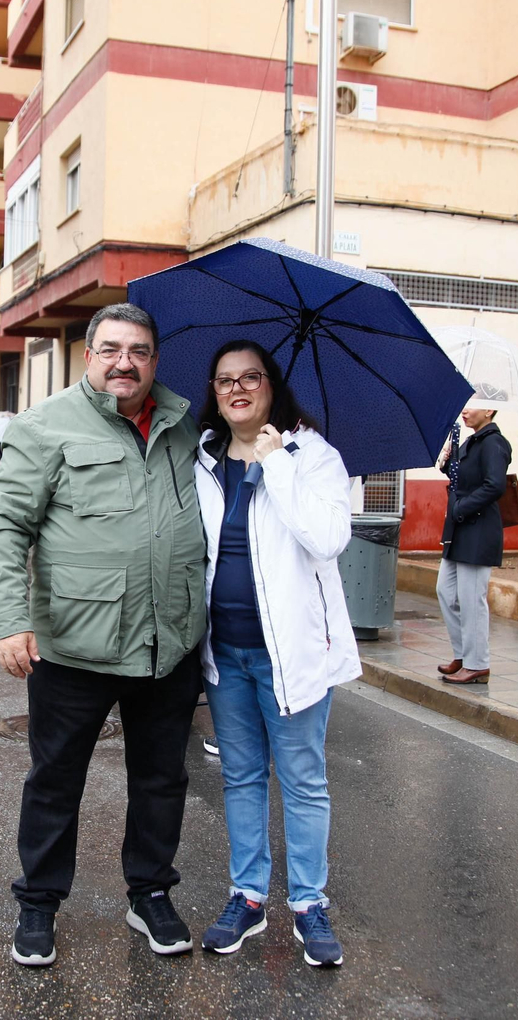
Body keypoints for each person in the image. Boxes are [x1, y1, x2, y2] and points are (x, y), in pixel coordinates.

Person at [0, 303, 207, 968]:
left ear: (154, 360)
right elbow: (1, 527)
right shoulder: (45, 425)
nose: (124, 362)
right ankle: (39, 903)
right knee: (55, 781)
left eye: (138, 351)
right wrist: (9, 619)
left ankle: (150, 893)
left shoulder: (185, 425)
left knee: (161, 779)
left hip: (168, 641)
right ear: (88, 356)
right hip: (74, 644)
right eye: (111, 349)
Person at [189, 339, 358, 967]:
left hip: (292, 652)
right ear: (214, 393)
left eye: (250, 377)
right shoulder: (202, 459)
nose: (237, 389)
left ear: (271, 385)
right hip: (225, 652)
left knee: (303, 780)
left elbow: (329, 537)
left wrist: (277, 462)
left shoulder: (313, 456)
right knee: (240, 777)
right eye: (225, 380)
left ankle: (309, 904)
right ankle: (248, 896)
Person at [435, 402, 512, 685]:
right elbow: (463, 478)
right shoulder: (471, 441)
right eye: (463, 407)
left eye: (471, 406)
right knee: (445, 591)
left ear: (489, 410)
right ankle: (463, 654)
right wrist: (448, 462)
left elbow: (495, 485)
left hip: (478, 529)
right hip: (459, 528)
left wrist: (462, 508)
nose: (464, 411)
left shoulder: (494, 443)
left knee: (471, 600)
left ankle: (477, 664)